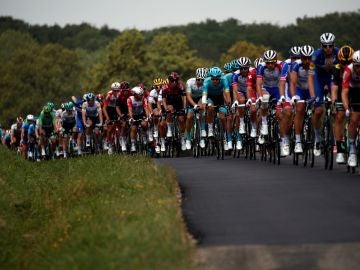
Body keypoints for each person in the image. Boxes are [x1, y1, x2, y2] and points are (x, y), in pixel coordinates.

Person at [308, 32, 339, 156]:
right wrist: (312, 96)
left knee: (336, 109)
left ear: (333, 45)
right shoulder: (315, 56)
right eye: (325, 46)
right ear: (321, 46)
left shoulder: (338, 53)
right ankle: (317, 137)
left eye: (330, 45)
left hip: (332, 79)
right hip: (318, 80)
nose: (327, 48)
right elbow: (310, 77)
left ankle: (336, 140)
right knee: (319, 110)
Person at [289, 45, 315, 154]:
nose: (307, 61)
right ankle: (298, 141)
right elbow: (293, 83)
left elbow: (319, 81)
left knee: (317, 110)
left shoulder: (315, 65)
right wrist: (294, 96)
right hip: (300, 90)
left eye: (309, 58)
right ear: (301, 57)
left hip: (311, 90)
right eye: (305, 58)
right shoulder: (296, 65)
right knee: (299, 110)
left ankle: (315, 135)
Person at [331, 45, 354, 164]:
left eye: (348, 62)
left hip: (354, 93)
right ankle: (340, 150)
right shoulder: (336, 68)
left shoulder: (356, 68)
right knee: (339, 116)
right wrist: (334, 103)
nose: (345, 64)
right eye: (343, 62)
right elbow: (334, 88)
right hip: (341, 93)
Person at [201, 67, 232, 150]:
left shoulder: (224, 80)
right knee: (210, 107)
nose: (215, 81)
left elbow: (227, 92)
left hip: (219, 98)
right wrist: (204, 103)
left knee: (222, 117)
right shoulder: (206, 81)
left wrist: (229, 102)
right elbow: (204, 95)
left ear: (220, 78)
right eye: (213, 79)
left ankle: (225, 138)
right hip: (210, 97)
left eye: (217, 79)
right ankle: (210, 129)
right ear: (210, 78)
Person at [341, 50, 360, 167]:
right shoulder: (348, 70)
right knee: (354, 118)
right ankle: (352, 149)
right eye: (357, 66)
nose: (359, 69)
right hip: (353, 91)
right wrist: (347, 108)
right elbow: (344, 92)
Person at [162, 72, 187, 151]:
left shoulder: (180, 87)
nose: (174, 82)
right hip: (170, 103)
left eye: (176, 81)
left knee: (181, 120)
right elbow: (163, 100)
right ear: (169, 80)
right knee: (170, 109)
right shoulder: (165, 87)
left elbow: (184, 98)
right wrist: (166, 108)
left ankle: (182, 138)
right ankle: (169, 129)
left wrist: (184, 108)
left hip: (179, 104)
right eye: (172, 80)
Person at [185, 68, 208, 150]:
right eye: (198, 79)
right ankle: (188, 138)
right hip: (191, 99)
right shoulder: (189, 82)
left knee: (202, 109)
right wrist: (194, 105)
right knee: (189, 117)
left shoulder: (206, 83)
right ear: (196, 77)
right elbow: (188, 96)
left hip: (200, 98)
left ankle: (202, 135)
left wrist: (203, 105)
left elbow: (205, 96)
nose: (200, 82)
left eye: (202, 80)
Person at [127, 86, 150, 152]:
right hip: (134, 115)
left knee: (144, 124)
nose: (142, 95)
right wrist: (131, 118)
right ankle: (133, 144)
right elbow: (130, 109)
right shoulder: (130, 99)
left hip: (141, 114)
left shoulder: (143, 99)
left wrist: (148, 116)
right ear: (135, 95)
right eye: (141, 94)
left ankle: (144, 136)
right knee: (133, 128)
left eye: (142, 94)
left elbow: (146, 108)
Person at [103, 82, 123, 154]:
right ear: (112, 90)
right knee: (110, 128)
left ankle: (121, 140)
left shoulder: (121, 94)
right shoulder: (109, 95)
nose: (116, 92)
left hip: (118, 109)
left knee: (121, 124)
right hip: (110, 110)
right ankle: (110, 144)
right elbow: (104, 108)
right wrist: (107, 118)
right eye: (115, 90)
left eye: (118, 90)